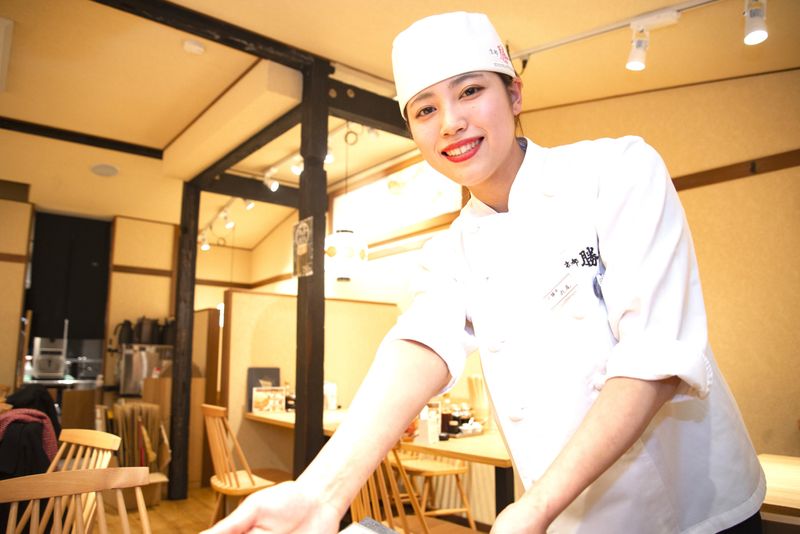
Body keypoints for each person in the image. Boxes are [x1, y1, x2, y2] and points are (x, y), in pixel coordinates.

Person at [204, 12, 765, 534]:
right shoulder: (450, 250)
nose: (451, 123)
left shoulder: (617, 171)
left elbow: (652, 359)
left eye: (470, 91)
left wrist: (533, 508)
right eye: (425, 110)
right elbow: (419, 345)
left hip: (695, 513)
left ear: (514, 93)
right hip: (571, 519)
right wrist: (320, 494)